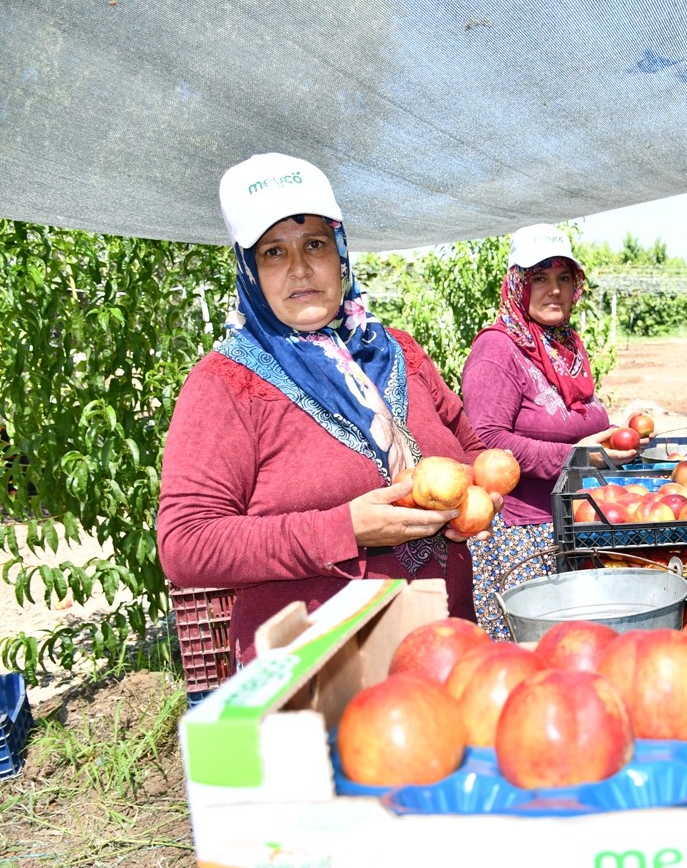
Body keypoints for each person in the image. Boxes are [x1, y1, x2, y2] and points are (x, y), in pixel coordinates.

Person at [158, 153, 497, 665]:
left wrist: (476, 497)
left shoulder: (398, 351)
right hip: (321, 669)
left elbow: (471, 448)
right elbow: (187, 544)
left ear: (340, 251)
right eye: (273, 252)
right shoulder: (226, 384)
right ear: (250, 270)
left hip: (444, 645)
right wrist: (342, 530)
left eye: (314, 244)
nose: (299, 268)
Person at [460, 224, 636, 638]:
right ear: (518, 285)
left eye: (563, 278)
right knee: (534, 654)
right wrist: (576, 455)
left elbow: (574, 423)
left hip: (573, 522)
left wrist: (613, 436)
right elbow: (486, 442)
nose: (554, 290)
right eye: (539, 278)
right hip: (524, 535)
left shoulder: (565, 344)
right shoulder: (498, 350)